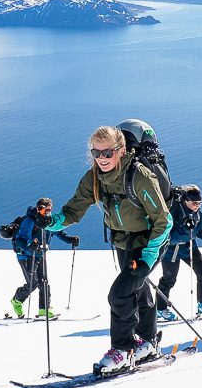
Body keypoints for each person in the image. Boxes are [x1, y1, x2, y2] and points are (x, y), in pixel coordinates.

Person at [44, 126, 172, 373]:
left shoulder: (140, 176)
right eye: (96, 153)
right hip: (123, 242)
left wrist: (147, 257)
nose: (101, 159)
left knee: (120, 294)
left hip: (149, 242)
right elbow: (73, 211)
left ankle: (123, 350)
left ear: (121, 150)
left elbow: (164, 221)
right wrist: (49, 222)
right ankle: (148, 342)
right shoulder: (94, 177)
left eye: (107, 153)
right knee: (140, 289)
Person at [0, 198, 80, 319]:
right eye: (42, 209)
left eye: (48, 210)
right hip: (26, 256)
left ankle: (44, 310)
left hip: (39, 255)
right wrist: (29, 247)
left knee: (44, 282)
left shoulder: (49, 221)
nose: (46, 212)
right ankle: (16, 300)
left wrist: (70, 240)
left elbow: (58, 232)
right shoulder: (29, 221)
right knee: (33, 283)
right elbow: (20, 240)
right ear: (37, 208)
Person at [155, 185, 202, 321]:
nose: (197, 206)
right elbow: (168, 235)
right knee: (169, 280)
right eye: (194, 203)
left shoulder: (198, 214)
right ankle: (160, 309)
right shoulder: (173, 211)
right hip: (171, 251)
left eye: (200, 203)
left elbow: (200, 230)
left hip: (189, 247)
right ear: (185, 200)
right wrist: (184, 227)